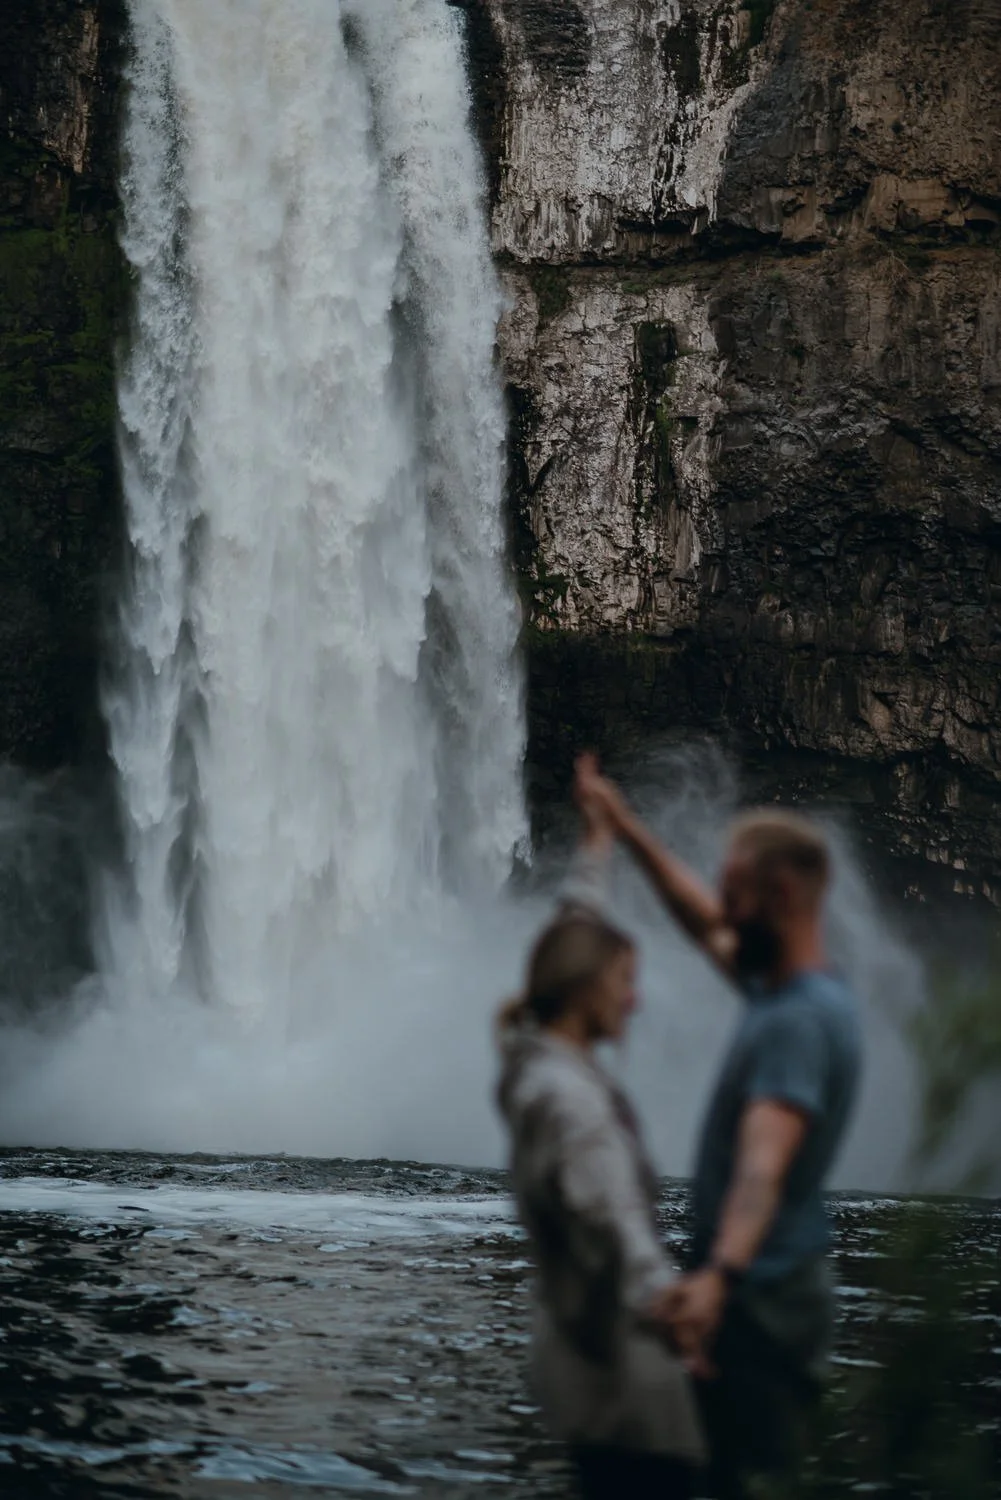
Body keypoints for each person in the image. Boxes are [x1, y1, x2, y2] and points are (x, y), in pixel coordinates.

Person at [574, 755, 862, 1500]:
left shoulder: (794, 1023)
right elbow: (699, 918)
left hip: (758, 1303)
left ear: (783, 893)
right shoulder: (793, 995)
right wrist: (623, 826)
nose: (723, 912)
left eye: (736, 895)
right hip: (759, 1293)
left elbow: (761, 1168)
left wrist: (716, 1280)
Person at [495, 809, 705, 1500]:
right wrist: (671, 1305)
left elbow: (566, 941)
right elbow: (610, 1212)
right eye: (623, 981)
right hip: (625, 1379)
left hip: (574, 1369)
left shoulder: (528, 1060)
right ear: (586, 992)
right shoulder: (573, 1102)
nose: (634, 999)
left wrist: (593, 848)